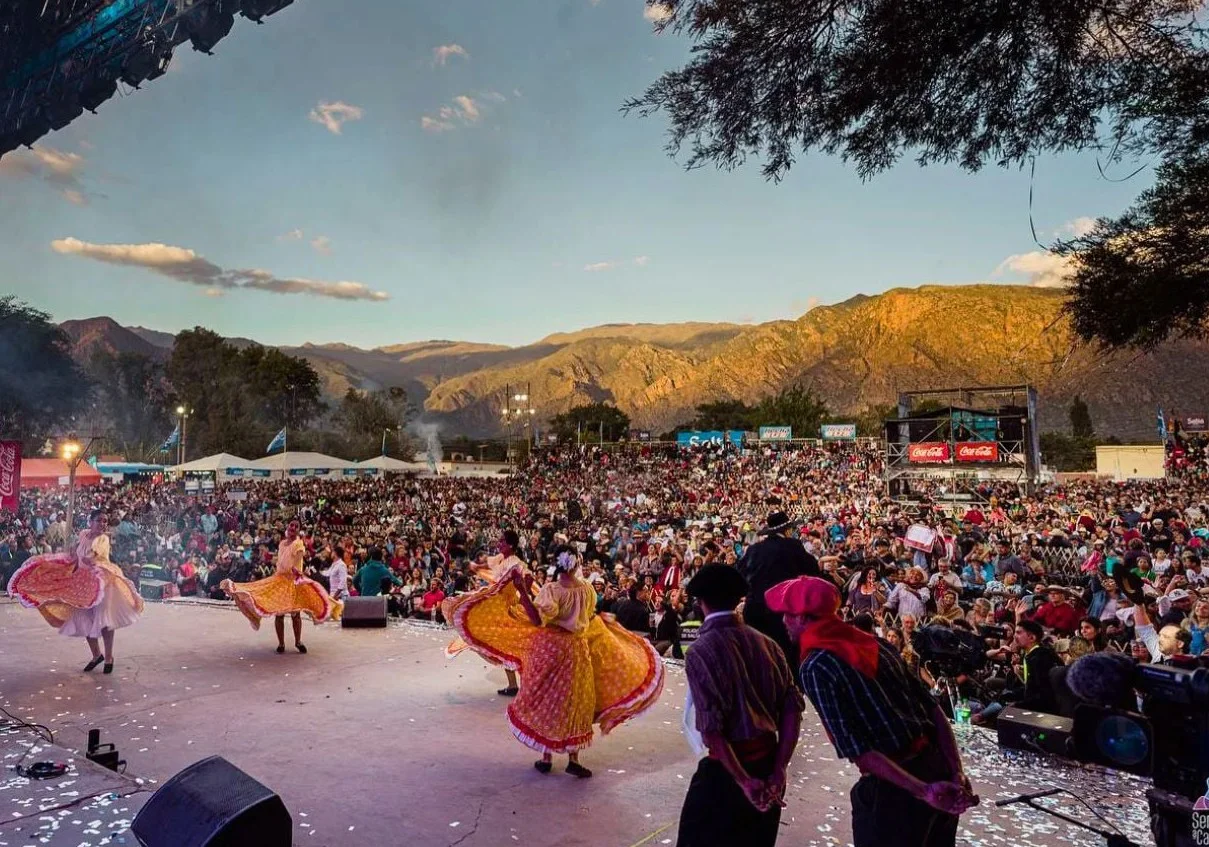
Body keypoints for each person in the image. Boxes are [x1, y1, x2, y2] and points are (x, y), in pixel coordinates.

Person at [767, 575, 977, 847]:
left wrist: (923, 791)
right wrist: (955, 771)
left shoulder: (816, 667)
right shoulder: (877, 644)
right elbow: (933, 709)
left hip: (896, 786)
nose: (784, 621)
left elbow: (859, 751)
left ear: (805, 618)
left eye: (789, 614)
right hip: (936, 765)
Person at [450, 549, 664, 777]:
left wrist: (523, 592)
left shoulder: (553, 590)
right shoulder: (586, 589)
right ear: (575, 565)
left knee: (548, 700)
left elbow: (537, 619)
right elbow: (588, 615)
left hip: (551, 650)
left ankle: (546, 757)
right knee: (576, 700)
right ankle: (573, 759)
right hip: (577, 650)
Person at [676, 565, 804, 847]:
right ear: (738, 600)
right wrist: (779, 768)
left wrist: (744, 781)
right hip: (767, 767)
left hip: (725, 774)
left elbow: (712, 731)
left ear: (700, 602)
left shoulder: (701, 651)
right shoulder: (768, 644)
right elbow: (793, 710)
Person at [8, 509, 144, 674]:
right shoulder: (84, 535)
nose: (102, 524)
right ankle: (97, 655)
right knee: (83, 618)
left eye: (105, 521)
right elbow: (76, 554)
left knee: (105, 621)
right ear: (90, 522)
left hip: (103, 583)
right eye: (99, 520)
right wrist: (65, 564)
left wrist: (90, 559)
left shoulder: (103, 539)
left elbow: (96, 555)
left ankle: (109, 657)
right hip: (82, 583)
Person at [221, 521, 342, 654]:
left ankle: (298, 641)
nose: (293, 528)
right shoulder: (282, 543)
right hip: (279, 580)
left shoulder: (299, 544)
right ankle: (281, 643)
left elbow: (297, 564)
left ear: (298, 530)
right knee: (279, 614)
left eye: (296, 526)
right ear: (288, 527)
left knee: (296, 614)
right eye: (291, 525)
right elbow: (280, 562)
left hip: (293, 582)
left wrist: (297, 572)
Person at [444, 529, 530, 696]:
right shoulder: (501, 558)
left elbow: (523, 581)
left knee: (513, 646)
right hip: (497, 607)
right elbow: (487, 566)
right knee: (503, 645)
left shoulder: (516, 563)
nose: (499, 543)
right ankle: (514, 685)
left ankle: (523, 684)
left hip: (508, 608)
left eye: (502, 541)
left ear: (510, 545)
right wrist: (475, 567)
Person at [738, 511, 819, 671]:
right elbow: (813, 570)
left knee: (759, 658)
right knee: (786, 658)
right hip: (782, 611)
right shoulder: (792, 546)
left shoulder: (754, 549)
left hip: (755, 610)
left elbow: (740, 574)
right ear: (787, 530)